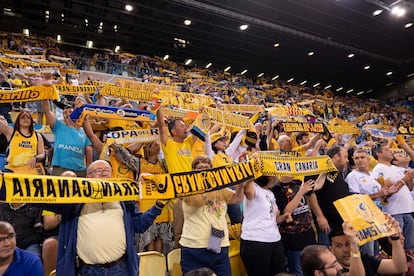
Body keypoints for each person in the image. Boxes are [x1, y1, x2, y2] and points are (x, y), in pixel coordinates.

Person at [46, 159, 167, 276]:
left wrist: (158, 205)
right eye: (98, 170)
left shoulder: (125, 198)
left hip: (121, 269)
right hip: (88, 271)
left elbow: (139, 225)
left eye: (107, 170)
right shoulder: (75, 202)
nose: (103, 173)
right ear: (88, 177)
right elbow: (46, 202)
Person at [179, 156, 245, 275]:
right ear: (192, 171)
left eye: (207, 167)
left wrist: (240, 184)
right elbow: (194, 200)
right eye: (199, 168)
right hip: (194, 246)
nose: (204, 170)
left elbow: (238, 198)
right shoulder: (186, 188)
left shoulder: (220, 188)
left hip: (219, 243)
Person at [241, 175, 290, 276]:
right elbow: (249, 193)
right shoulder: (254, 187)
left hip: (275, 241)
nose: (276, 176)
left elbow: (272, 219)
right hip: (256, 243)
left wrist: (283, 217)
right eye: (273, 173)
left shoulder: (270, 193)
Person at [330, 215, 407, 276]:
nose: (345, 250)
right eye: (338, 246)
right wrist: (353, 245)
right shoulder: (331, 267)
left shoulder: (365, 259)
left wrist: (395, 238)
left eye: (348, 244)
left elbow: (399, 268)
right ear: (331, 249)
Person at [371, 143, 414, 250]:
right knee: (398, 245)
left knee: (410, 246)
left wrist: (409, 178)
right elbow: (385, 190)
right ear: (379, 154)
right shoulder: (378, 169)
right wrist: (404, 179)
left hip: (408, 209)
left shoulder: (396, 168)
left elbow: (409, 188)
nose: (391, 151)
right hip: (394, 211)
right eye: (386, 149)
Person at [272, 177, 316, 275]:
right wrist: (301, 192)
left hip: (308, 232)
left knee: (312, 266)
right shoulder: (277, 189)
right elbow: (287, 211)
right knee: (297, 270)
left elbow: (314, 190)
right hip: (292, 235)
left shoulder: (298, 182)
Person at [310, 146, 352, 245]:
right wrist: (320, 217)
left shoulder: (336, 172)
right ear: (337, 156)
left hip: (340, 223)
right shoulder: (320, 171)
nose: (347, 161)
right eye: (345, 157)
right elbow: (310, 192)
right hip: (327, 224)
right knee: (327, 256)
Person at [42, 99, 92, 176]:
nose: (67, 114)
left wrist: (89, 172)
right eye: (65, 113)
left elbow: (89, 152)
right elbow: (47, 111)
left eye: (70, 112)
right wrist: (45, 95)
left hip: (79, 171)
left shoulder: (85, 130)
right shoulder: (58, 126)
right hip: (59, 169)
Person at [42, 170, 77, 276]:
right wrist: (65, 213)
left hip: (80, 235)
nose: (68, 185)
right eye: (65, 181)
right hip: (58, 235)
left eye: (72, 182)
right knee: (50, 245)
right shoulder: (51, 199)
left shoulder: (84, 198)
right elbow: (48, 224)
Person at [0, 110, 45, 174]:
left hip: (30, 171)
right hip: (13, 171)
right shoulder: (11, 132)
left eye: (28, 117)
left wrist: (36, 158)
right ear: (18, 120)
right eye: (23, 117)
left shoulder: (37, 136)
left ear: (31, 121)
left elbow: (42, 154)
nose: (25, 119)